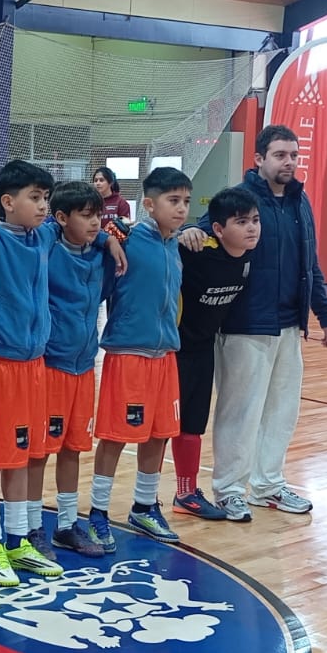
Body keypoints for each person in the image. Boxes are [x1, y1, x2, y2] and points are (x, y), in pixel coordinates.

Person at [180, 125, 327, 520]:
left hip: (288, 324)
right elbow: (202, 227)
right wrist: (188, 234)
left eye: (293, 155)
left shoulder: (300, 202)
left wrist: (324, 313)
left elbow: (310, 263)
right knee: (240, 411)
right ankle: (230, 489)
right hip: (244, 324)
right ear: (259, 159)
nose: (288, 162)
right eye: (280, 155)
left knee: (282, 410)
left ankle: (268, 485)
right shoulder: (240, 199)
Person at [0, 160, 65, 584]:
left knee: (24, 454)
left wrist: (113, 241)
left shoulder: (43, 236)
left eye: (46, 198)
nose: (43, 206)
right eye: (35, 198)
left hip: (34, 364)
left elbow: (90, 225)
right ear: (7, 202)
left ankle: (19, 540)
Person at [84, 165, 192, 549]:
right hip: (128, 353)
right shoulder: (125, 238)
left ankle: (144, 507)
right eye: (173, 201)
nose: (181, 209)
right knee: (115, 437)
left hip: (166, 355)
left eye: (186, 202)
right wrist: (106, 240)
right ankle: (98, 512)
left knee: (160, 434)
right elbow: (89, 236)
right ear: (149, 204)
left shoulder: (176, 245)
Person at [34, 181, 118, 557]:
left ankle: (66, 525)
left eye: (98, 214)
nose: (95, 222)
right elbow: (42, 227)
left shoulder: (100, 255)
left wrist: (107, 239)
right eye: (86, 215)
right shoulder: (46, 247)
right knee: (39, 451)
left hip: (84, 368)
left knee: (73, 449)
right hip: (50, 366)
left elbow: (108, 236)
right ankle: (31, 526)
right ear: (62, 217)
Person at [170, 184, 262, 520]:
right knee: (159, 427)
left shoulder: (250, 256)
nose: (251, 227)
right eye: (241, 222)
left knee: (193, 425)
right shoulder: (198, 250)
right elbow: (162, 240)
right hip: (170, 350)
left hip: (203, 349)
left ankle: (186, 493)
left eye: (254, 220)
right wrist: (185, 230)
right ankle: (145, 499)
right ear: (219, 228)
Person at [93, 166, 135, 235]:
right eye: (95, 180)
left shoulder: (121, 203)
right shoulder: (91, 202)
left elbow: (125, 228)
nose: (98, 183)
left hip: (115, 242)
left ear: (110, 183)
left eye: (101, 180)